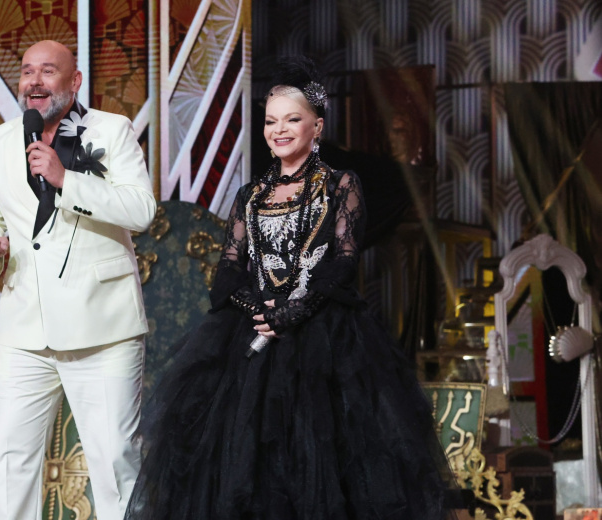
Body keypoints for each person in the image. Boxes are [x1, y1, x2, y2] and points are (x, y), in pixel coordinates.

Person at [124, 57, 452, 520]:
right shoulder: (251, 195)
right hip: (252, 340)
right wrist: (257, 309)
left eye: (292, 119)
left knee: (326, 464)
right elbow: (229, 271)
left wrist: (295, 311)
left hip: (326, 338)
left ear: (317, 126)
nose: (279, 130)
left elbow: (344, 261)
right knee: (247, 467)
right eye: (270, 121)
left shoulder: (341, 185)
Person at [0, 40, 156, 520]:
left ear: (74, 81)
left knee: (114, 462)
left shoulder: (112, 130)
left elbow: (141, 210)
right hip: (24, 328)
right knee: (10, 463)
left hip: (103, 326)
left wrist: (66, 181)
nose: (34, 81)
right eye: (27, 71)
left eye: (48, 71)